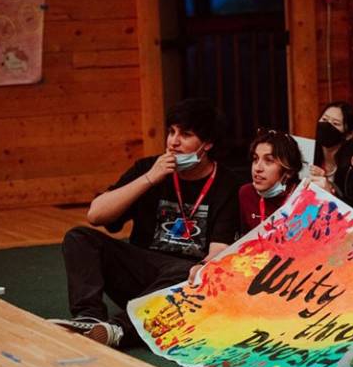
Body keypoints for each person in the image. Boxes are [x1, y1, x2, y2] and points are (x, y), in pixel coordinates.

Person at [52, 98, 240, 348]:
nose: (173, 142)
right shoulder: (148, 169)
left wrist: (201, 273)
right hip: (142, 271)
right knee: (79, 237)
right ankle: (90, 317)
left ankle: (119, 328)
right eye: (171, 132)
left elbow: (218, 250)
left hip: (183, 284)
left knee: (190, 271)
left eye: (185, 135)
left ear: (207, 143)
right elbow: (96, 215)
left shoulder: (227, 183)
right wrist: (150, 178)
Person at [237, 129, 303, 234]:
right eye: (255, 159)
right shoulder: (246, 193)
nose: (257, 168)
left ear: (289, 171)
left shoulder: (305, 196)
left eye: (269, 160)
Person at [309, 101, 353, 200]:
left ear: (349, 134)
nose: (327, 125)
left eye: (335, 123)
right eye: (324, 119)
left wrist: (331, 190)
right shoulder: (309, 157)